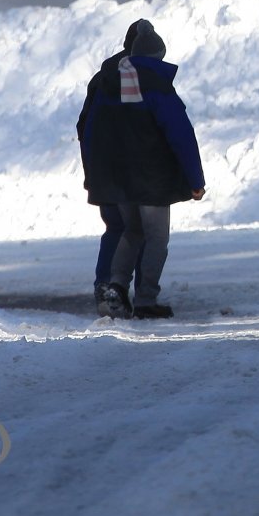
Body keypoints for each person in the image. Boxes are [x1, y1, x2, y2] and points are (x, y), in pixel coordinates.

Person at [77, 19, 206, 319]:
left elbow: (88, 128)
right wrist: (195, 179)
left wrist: (96, 173)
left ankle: (114, 286)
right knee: (156, 238)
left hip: (116, 177)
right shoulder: (155, 84)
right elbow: (181, 135)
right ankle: (146, 298)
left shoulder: (109, 81)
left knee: (129, 230)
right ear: (157, 55)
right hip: (152, 180)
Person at [75, 18, 155, 310]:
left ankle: (105, 286)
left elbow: (84, 126)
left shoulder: (103, 76)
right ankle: (134, 292)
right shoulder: (140, 75)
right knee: (138, 227)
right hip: (130, 169)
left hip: (100, 167)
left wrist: (91, 168)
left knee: (115, 227)